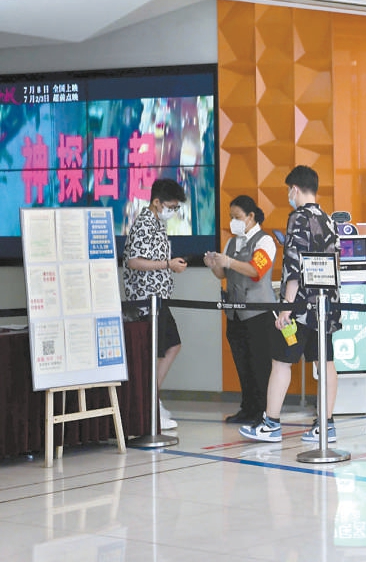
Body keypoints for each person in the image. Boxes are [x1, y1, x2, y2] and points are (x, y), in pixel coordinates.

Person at [240, 165, 340, 444]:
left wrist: (286, 306)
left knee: (281, 362)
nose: (289, 195)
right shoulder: (328, 219)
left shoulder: (298, 218)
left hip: (300, 306)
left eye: (289, 190)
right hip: (325, 305)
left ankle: (271, 423)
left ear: (295, 189)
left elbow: (294, 266)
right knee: (325, 361)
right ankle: (326, 424)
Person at [123, 178, 189, 430]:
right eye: (170, 207)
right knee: (156, 352)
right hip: (145, 301)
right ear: (157, 202)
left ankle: (152, 398)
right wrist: (167, 265)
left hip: (159, 299)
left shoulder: (157, 224)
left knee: (172, 345)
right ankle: (148, 404)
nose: (173, 211)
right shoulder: (144, 223)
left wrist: (170, 266)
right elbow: (133, 261)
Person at [205, 196, 277, 424]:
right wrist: (214, 265)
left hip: (258, 314)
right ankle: (247, 408)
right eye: (231, 217)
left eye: (237, 217)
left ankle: (263, 412)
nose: (233, 221)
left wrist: (229, 262)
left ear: (250, 216)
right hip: (234, 313)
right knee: (242, 364)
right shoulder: (231, 243)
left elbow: (256, 270)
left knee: (260, 365)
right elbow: (223, 274)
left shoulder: (265, 241)